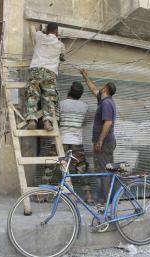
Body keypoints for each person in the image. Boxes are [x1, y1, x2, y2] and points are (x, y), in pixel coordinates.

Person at [80, 69, 117, 204]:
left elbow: (108, 123)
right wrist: (85, 77)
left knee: (105, 172)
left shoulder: (106, 103)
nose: (99, 89)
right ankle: (108, 199)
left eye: (102, 87)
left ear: (106, 89)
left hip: (105, 143)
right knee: (105, 171)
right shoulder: (104, 100)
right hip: (105, 142)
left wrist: (100, 141)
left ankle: (106, 201)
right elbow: (94, 89)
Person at [25, 22, 66, 131]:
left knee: (32, 95)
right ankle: (47, 122)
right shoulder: (60, 45)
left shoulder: (39, 36)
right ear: (57, 32)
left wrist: (43, 30)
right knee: (48, 98)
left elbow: (35, 29)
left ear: (47, 30)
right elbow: (63, 58)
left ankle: (32, 120)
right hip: (50, 73)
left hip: (36, 70)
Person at [59, 82, 94, 203]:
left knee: (51, 166)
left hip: (61, 141)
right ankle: (89, 196)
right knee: (82, 169)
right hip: (76, 142)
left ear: (70, 90)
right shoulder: (84, 106)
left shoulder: (61, 104)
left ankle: (41, 195)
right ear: (80, 95)